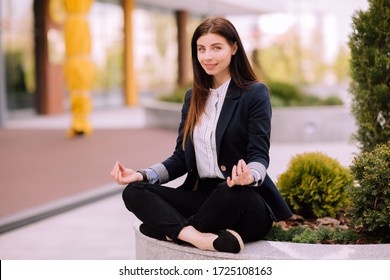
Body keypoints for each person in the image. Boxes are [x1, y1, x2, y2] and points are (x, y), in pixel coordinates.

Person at [111, 17, 292, 254]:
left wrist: (250, 175)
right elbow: (180, 158)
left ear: (234, 48)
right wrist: (142, 174)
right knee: (134, 191)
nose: (208, 56)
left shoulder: (254, 93)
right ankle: (199, 238)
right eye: (201, 49)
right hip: (203, 197)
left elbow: (259, 154)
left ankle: (171, 231)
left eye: (217, 48)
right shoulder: (193, 97)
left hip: (242, 198)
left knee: (229, 193)